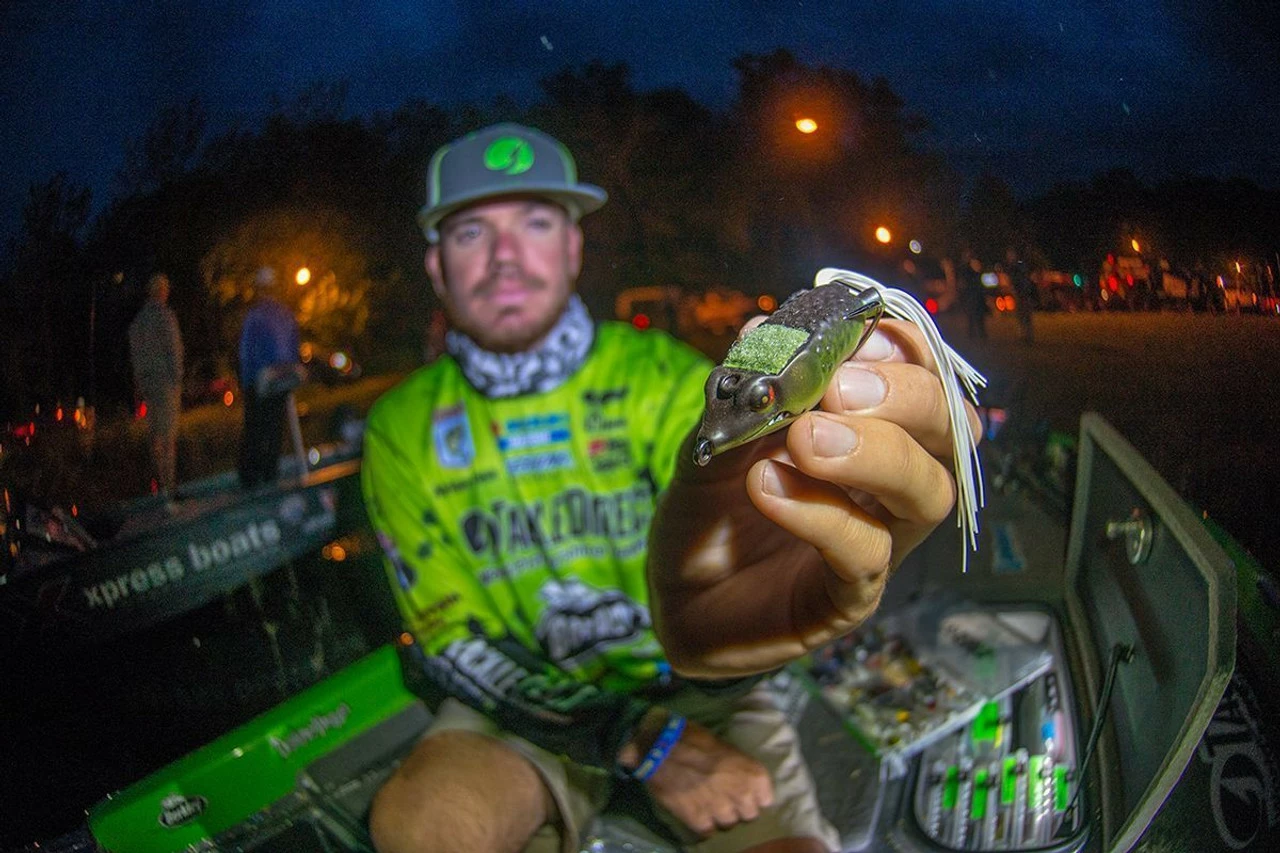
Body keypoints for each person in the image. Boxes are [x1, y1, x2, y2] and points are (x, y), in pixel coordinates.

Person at [362, 123, 974, 853]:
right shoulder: (399, 428)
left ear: (574, 247)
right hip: (527, 711)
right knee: (421, 827)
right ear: (436, 267)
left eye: (535, 223)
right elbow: (449, 641)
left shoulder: (668, 376)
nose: (504, 255)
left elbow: (743, 506)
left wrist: (819, 524)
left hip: (699, 688)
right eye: (471, 233)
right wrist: (638, 737)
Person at [237, 266, 301, 488]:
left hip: (260, 379)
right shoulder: (286, 313)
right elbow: (293, 346)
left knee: (255, 428)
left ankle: (251, 478)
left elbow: (246, 351)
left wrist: (247, 382)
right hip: (282, 377)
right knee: (274, 428)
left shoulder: (255, 316)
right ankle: (270, 473)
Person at [127, 272, 184, 504]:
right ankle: (170, 486)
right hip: (166, 384)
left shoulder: (138, 323)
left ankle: (160, 484)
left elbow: (135, 356)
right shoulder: (165, 317)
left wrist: (140, 384)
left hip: (148, 385)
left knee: (155, 436)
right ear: (161, 291)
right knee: (168, 436)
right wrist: (177, 378)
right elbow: (174, 349)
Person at [1006, 247, 1037, 344]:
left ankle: (1028, 336)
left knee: (1025, 315)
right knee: (1021, 316)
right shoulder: (1014, 266)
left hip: (1023, 293)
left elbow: (1021, 280)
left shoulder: (1018, 266)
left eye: (1010, 255)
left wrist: (1019, 290)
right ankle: (1025, 335)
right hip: (1020, 293)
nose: (1009, 257)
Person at [958, 248, 988, 340]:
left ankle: (980, 335)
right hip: (972, 296)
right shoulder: (966, 269)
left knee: (978, 317)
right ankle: (973, 334)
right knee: (972, 317)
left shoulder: (972, 269)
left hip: (976, 296)